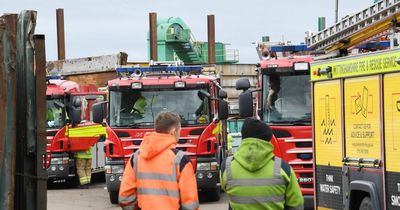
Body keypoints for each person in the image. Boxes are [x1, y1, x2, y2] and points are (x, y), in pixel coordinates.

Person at [119, 111, 199, 210]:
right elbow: (190, 203)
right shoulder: (180, 160)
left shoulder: (136, 158)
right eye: (179, 130)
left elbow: (125, 198)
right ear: (173, 131)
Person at [220, 118, 304, 210]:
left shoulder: (226, 167)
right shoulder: (283, 168)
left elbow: (227, 191)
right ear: (268, 139)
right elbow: (296, 204)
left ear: (243, 137)